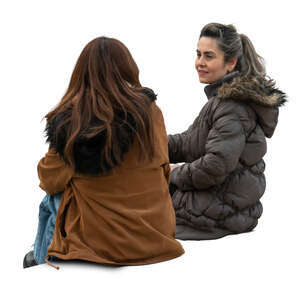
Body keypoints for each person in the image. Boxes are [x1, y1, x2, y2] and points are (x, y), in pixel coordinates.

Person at [23, 37, 184, 268]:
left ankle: (41, 260)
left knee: (51, 199)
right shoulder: (151, 112)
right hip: (156, 234)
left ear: (81, 73)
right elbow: (163, 166)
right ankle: (43, 254)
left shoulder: (75, 120)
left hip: (101, 244)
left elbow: (49, 180)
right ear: (128, 69)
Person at [168, 23, 286, 240]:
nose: (199, 63)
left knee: (129, 209)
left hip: (219, 213)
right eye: (198, 54)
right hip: (223, 206)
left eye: (208, 56)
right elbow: (189, 142)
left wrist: (173, 173)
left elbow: (214, 166)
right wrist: (150, 142)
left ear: (231, 63)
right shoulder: (222, 101)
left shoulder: (232, 106)